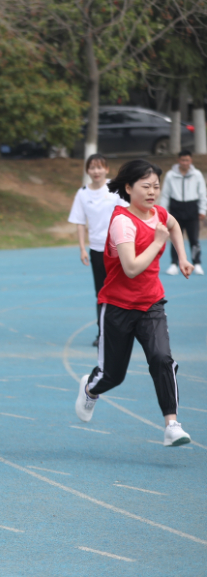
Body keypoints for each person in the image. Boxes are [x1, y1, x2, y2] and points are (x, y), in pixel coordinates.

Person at [75, 159, 194, 447]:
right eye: (146, 186)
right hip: (117, 306)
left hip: (151, 303)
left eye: (156, 186)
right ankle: (90, 389)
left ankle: (172, 425)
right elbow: (130, 268)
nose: (152, 192)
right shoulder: (122, 222)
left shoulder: (159, 213)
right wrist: (157, 243)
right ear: (128, 188)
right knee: (113, 376)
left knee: (162, 359)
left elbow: (174, 225)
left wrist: (182, 257)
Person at [69, 154, 125, 347]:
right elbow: (79, 222)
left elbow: (127, 215)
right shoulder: (82, 193)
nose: (96, 171)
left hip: (117, 249)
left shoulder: (115, 189)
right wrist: (82, 248)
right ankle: (102, 333)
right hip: (96, 249)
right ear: (87, 171)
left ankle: (120, 331)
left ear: (106, 169)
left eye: (100, 167)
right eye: (92, 168)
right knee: (101, 293)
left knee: (119, 291)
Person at [160, 150, 205, 276]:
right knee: (175, 238)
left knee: (194, 239)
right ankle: (174, 264)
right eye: (183, 160)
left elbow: (202, 193)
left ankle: (197, 263)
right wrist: (163, 211)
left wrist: (202, 210)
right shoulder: (170, 175)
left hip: (192, 210)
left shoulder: (197, 174)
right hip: (176, 209)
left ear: (191, 161)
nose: (185, 163)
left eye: (187, 160)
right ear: (178, 160)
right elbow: (165, 194)